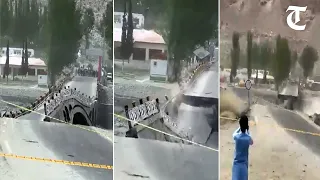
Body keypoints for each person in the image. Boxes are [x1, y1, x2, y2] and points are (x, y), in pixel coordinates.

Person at [232, 115, 253, 180]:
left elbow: (234, 133)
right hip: (244, 164)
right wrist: (248, 131)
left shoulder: (236, 137)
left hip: (236, 163)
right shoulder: (248, 138)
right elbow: (251, 142)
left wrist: (239, 127)